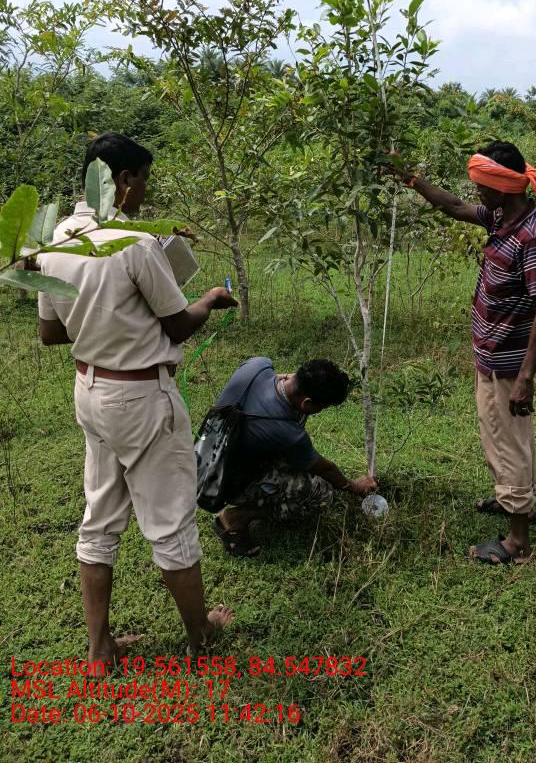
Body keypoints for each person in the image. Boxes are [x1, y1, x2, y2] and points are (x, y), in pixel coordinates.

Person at [37, 132, 237, 661]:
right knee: (170, 524)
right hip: (142, 398)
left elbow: (50, 332)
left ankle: (100, 649)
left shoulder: (56, 239)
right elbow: (177, 325)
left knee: (99, 519)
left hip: (90, 390)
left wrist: (106, 318)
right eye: (144, 179)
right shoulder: (134, 244)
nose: (146, 190)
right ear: (122, 181)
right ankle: (200, 638)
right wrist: (210, 298)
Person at [388, 140, 536, 564]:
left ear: (504, 186)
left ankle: (517, 542)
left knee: (507, 441)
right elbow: (452, 206)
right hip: (490, 354)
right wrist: (409, 178)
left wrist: (526, 378)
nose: (476, 192)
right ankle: (511, 499)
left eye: (482, 185)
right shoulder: (501, 216)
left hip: (507, 363)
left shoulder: (530, 237)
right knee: (500, 436)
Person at [209, 357, 378, 557]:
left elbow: (284, 379)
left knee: (291, 449)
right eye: (321, 407)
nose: (319, 411)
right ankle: (236, 517)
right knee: (321, 493)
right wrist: (354, 486)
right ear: (307, 402)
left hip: (207, 457)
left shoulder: (258, 365)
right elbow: (325, 469)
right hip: (224, 485)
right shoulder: (289, 433)